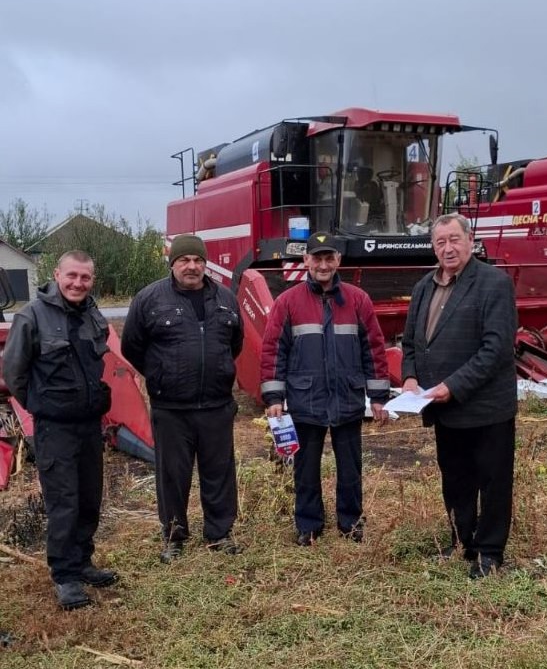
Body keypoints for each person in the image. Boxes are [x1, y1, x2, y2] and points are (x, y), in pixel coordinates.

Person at [401, 213, 518, 579]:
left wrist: (454, 386)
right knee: (455, 478)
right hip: (443, 408)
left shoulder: (493, 284)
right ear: (433, 247)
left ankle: (489, 552)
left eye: (454, 239)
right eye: (440, 242)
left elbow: (495, 349)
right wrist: (409, 378)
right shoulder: (424, 287)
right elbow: (409, 343)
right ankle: (462, 540)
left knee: (493, 480)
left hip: (485, 409)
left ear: (470, 241)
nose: (448, 248)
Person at [3, 251, 117, 610]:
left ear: (91, 280)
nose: (77, 283)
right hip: (54, 428)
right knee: (63, 502)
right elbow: (15, 375)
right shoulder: (31, 316)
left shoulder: (93, 314)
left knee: (88, 499)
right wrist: (43, 404)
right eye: (72, 276)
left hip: (89, 425)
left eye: (84, 277)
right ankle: (65, 576)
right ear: (57, 275)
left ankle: (83, 561)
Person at [261, 232, 390, 545]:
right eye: (316, 258)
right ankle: (309, 525)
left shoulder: (358, 300)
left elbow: (373, 348)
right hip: (306, 399)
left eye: (328, 258)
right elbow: (274, 350)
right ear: (305, 261)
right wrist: (275, 397)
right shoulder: (287, 302)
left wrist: (377, 398)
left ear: (338, 261)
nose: (322, 264)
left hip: (346, 397)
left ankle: (351, 522)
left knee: (351, 468)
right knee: (305, 469)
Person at [121, 234, 243, 563]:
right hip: (171, 408)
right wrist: (162, 375)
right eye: (184, 260)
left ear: (206, 264)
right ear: (172, 263)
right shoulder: (150, 299)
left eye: (198, 260)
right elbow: (131, 346)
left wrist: (216, 373)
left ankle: (219, 534)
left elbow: (235, 344)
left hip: (216, 406)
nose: (192, 266)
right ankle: (174, 537)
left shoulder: (226, 299)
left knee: (219, 473)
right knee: (173, 476)